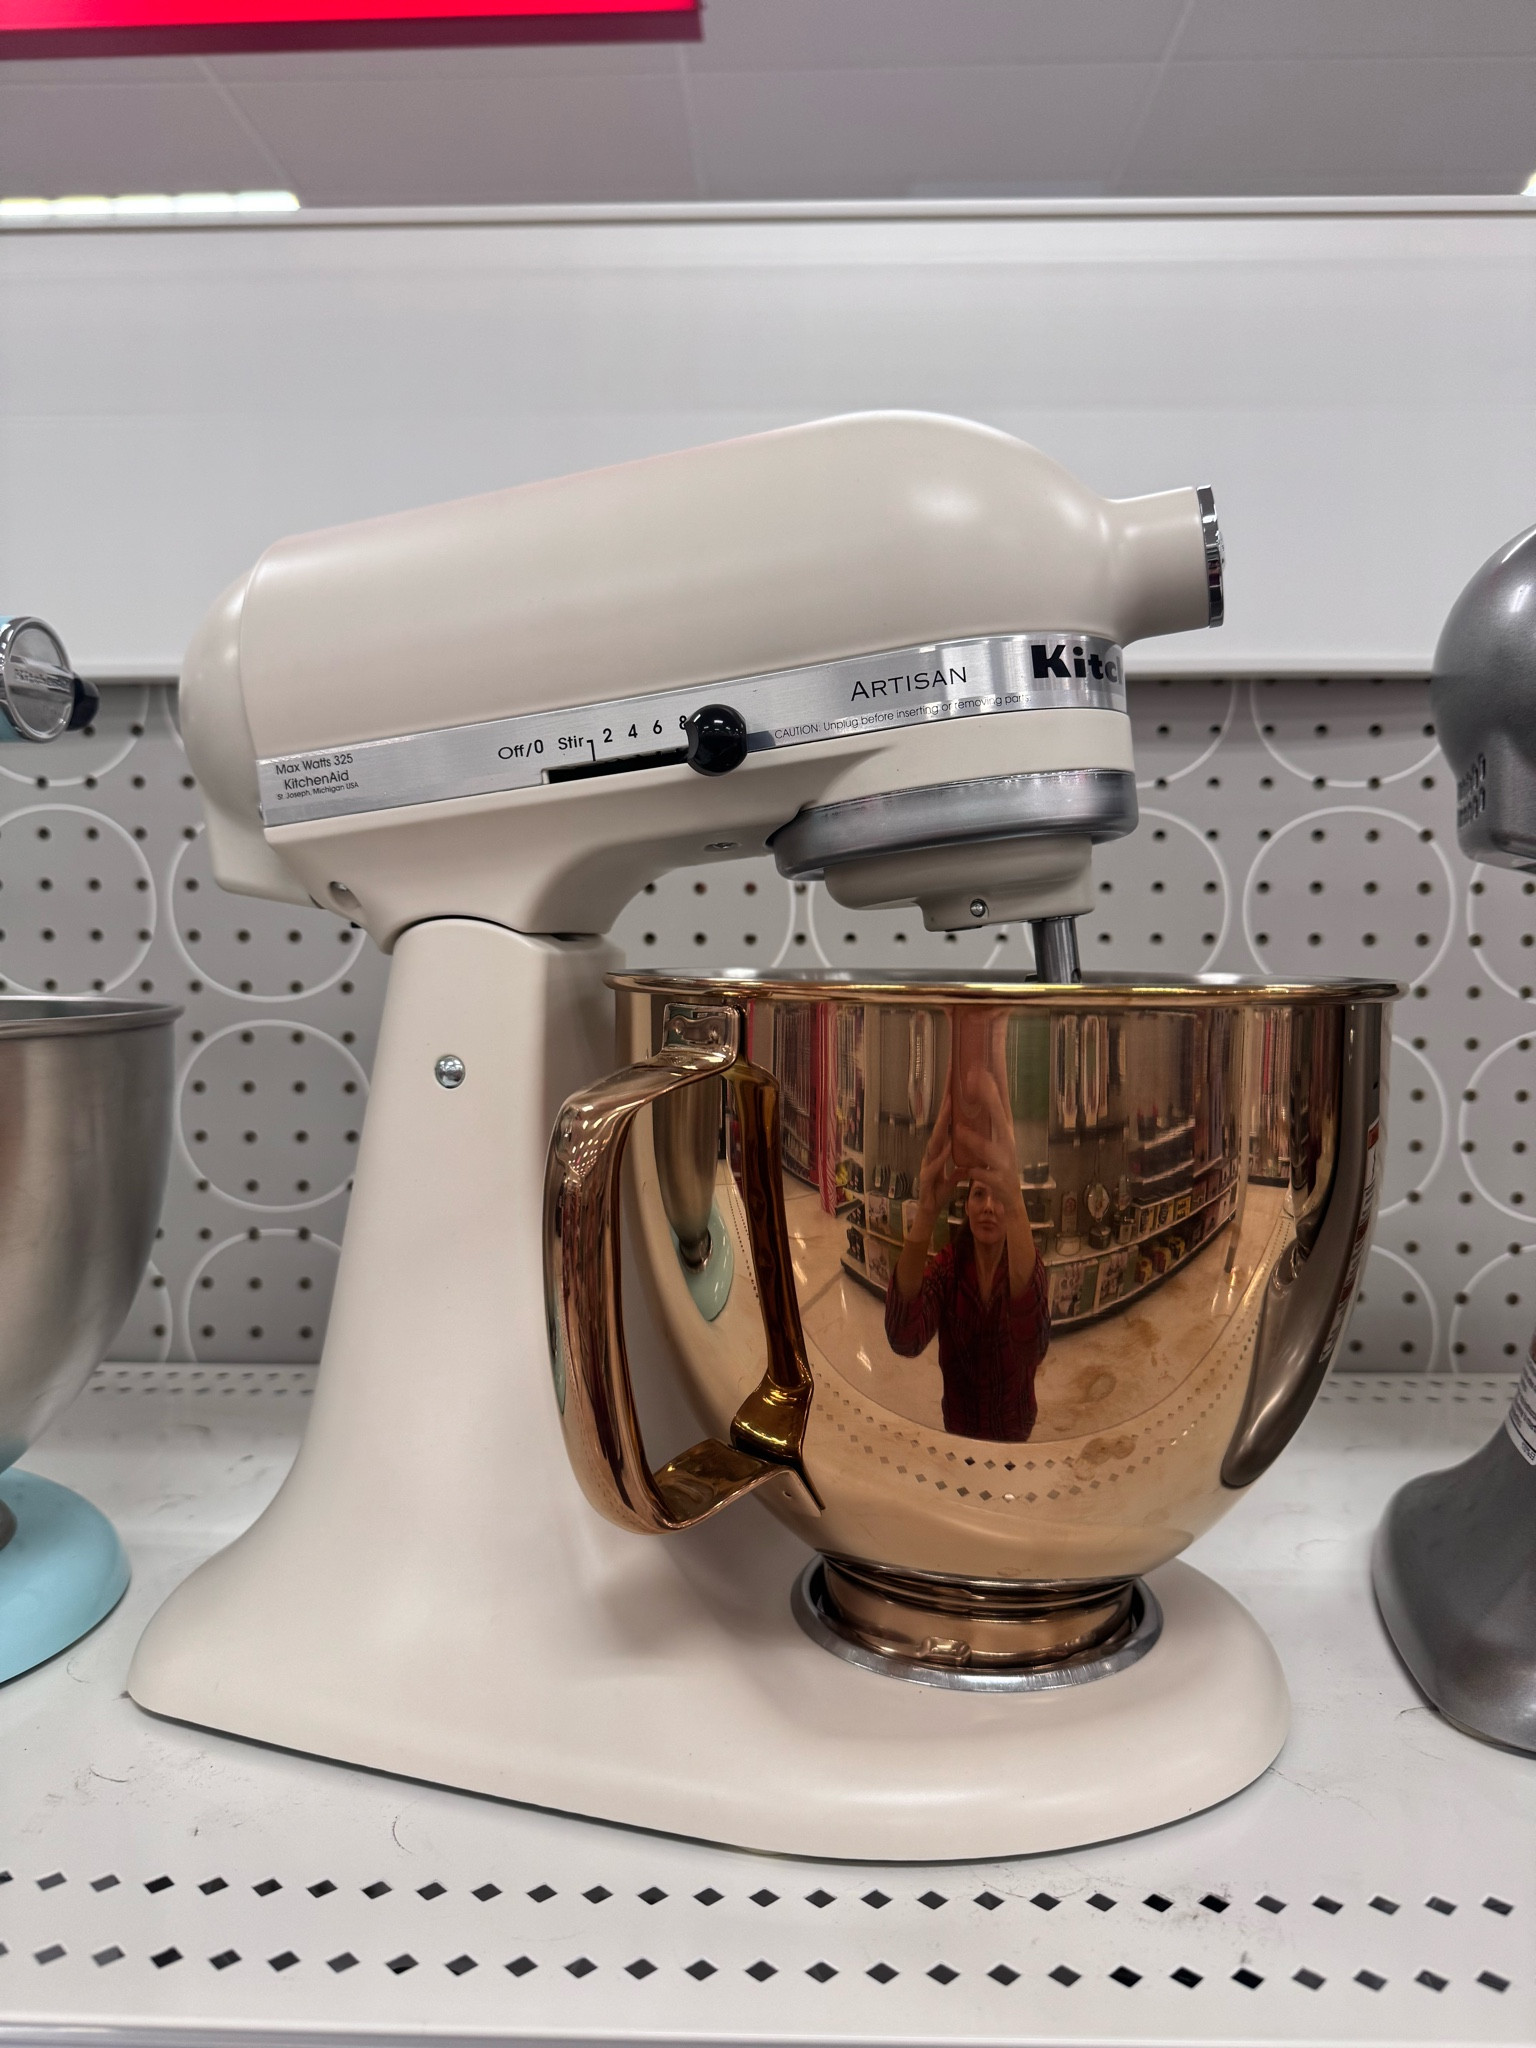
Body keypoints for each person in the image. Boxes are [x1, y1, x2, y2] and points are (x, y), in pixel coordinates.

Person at [884, 1061, 1050, 1442]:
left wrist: (1017, 1200)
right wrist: (925, 1213)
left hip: (1015, 1429)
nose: (989, 1206)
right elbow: (903, 1336)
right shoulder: (948, 1268)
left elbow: (1034, 1346)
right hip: (959, 1430)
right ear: (967, 1208)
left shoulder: (1023, 1267)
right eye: (978, 1194)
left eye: (998, 1197)